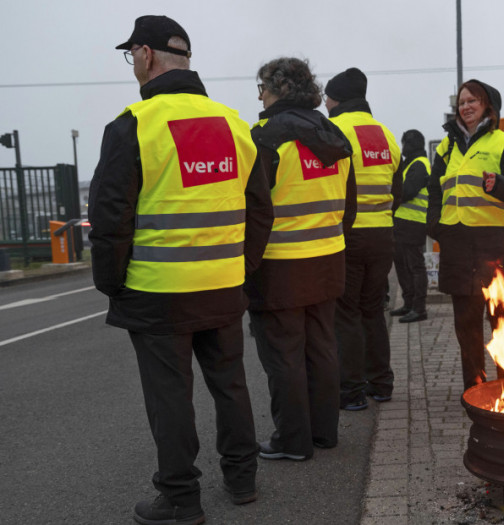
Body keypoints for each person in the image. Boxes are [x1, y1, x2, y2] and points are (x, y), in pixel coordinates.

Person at [88, 15, 273, 525]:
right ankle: (243, 480)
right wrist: (242, 265)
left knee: (170, 396)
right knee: (230, 384)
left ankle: (181, 499)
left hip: (156, 290)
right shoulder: (235, 124)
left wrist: (111, 283)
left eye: (132, 56)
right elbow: (261, 210)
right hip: (222, 285)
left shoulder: (133, 124)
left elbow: (109, 218)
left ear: (145, 55)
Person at [246, 57, 355, 461]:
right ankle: (325, 432)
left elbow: (254, 207)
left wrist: (247, 264)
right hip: (328, 260)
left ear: (277, 89)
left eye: (262, 88)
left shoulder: (265, 137)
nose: (259, 96)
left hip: (279, 265)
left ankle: (292, 440)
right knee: (323, 347)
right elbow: (351, 205)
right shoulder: (334, 133)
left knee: (284, 354)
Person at [426, 79, 504, 390]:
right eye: (462, 102)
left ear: (488, 107)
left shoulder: (502, 143)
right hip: (457, 246)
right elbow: (434, 191)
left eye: (473, 101)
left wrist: (497, 183)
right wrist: (436, 226)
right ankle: (475, 388)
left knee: (503, 322)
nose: (466, 106)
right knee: (465, 325)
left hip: (496, 246)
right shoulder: (447, 148)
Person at [324, 68, 401, 411]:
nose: (324, 103)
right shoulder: (386, 134)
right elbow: (396, 190)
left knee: (347, 314)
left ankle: (351, 392)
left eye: (327, 97)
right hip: (383, 234)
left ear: (336, 99)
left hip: (349, 234)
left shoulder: (335, 130)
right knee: (373, 311)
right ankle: (381, 383)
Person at [390, 129, 430, 323]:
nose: (402, 147)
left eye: (404, 143)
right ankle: (408, 304)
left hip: (413, 223)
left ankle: (419, 308)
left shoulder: (419, 165)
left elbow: (408, 191)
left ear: (411, 144)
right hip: (402, 223)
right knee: (402, 266)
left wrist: (391, 190)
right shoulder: (409, 165)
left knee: (415, 266)